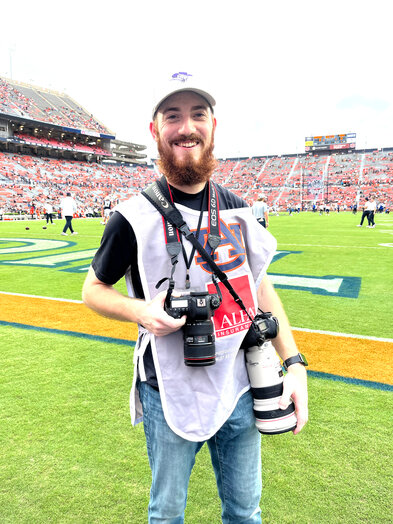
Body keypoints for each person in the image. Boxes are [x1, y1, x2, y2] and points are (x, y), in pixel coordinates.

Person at [82, 74, 308, 523]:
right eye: (173, 116)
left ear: (212, 125)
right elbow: (92, 290)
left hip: (240, 383)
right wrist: (141, 310)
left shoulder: (237, 207)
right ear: (155, 130)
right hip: (168, 392)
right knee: (167, 514)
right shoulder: (132, 216)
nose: (187, 127)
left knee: (245, 513)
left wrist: (294, 363)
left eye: (197, 114)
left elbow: (259, 288)